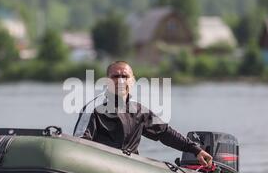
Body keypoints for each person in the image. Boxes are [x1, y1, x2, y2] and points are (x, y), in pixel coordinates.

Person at [73, 61, 213, 167]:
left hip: (132, 169)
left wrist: (195, 150)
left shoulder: (139, 111)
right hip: (102, 167)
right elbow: (80, 142)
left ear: (132, 81)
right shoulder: (93, 108)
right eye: (115, 76)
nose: (120, 80)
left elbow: (164, 132)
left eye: (125, 76)